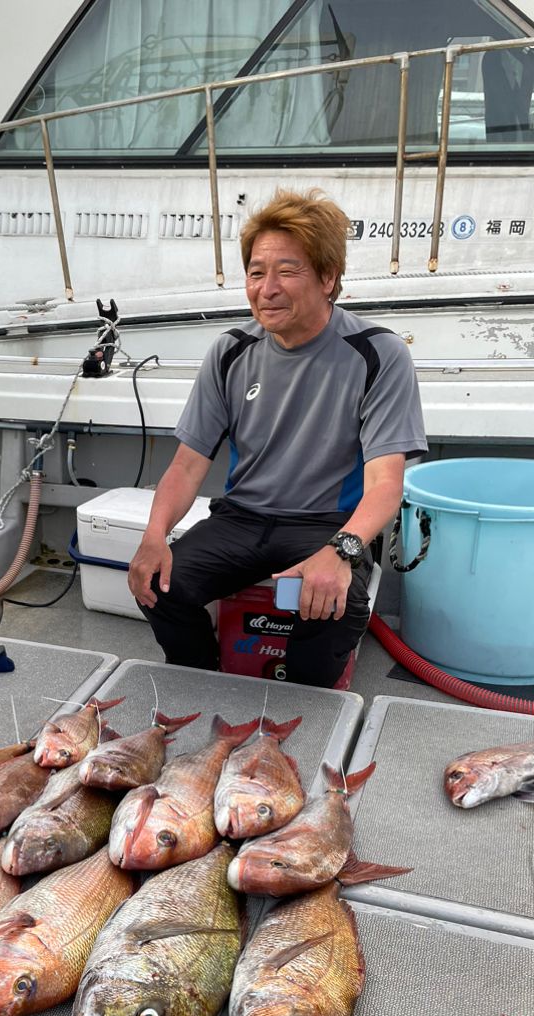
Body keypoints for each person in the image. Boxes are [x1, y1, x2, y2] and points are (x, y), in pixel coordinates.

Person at [127, 188, 427, 687]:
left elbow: (385, 484)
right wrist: (153, 536)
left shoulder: (379, 355)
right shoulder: (230, 352)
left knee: (336, 606)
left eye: (288, 271)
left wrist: (342, 551)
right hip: (241, 518)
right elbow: (186, 465)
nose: (267, 288)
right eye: (256, 272)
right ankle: (203, 684)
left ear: (329, 278)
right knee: (159, 585)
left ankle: (304, 709)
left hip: (327, 522)